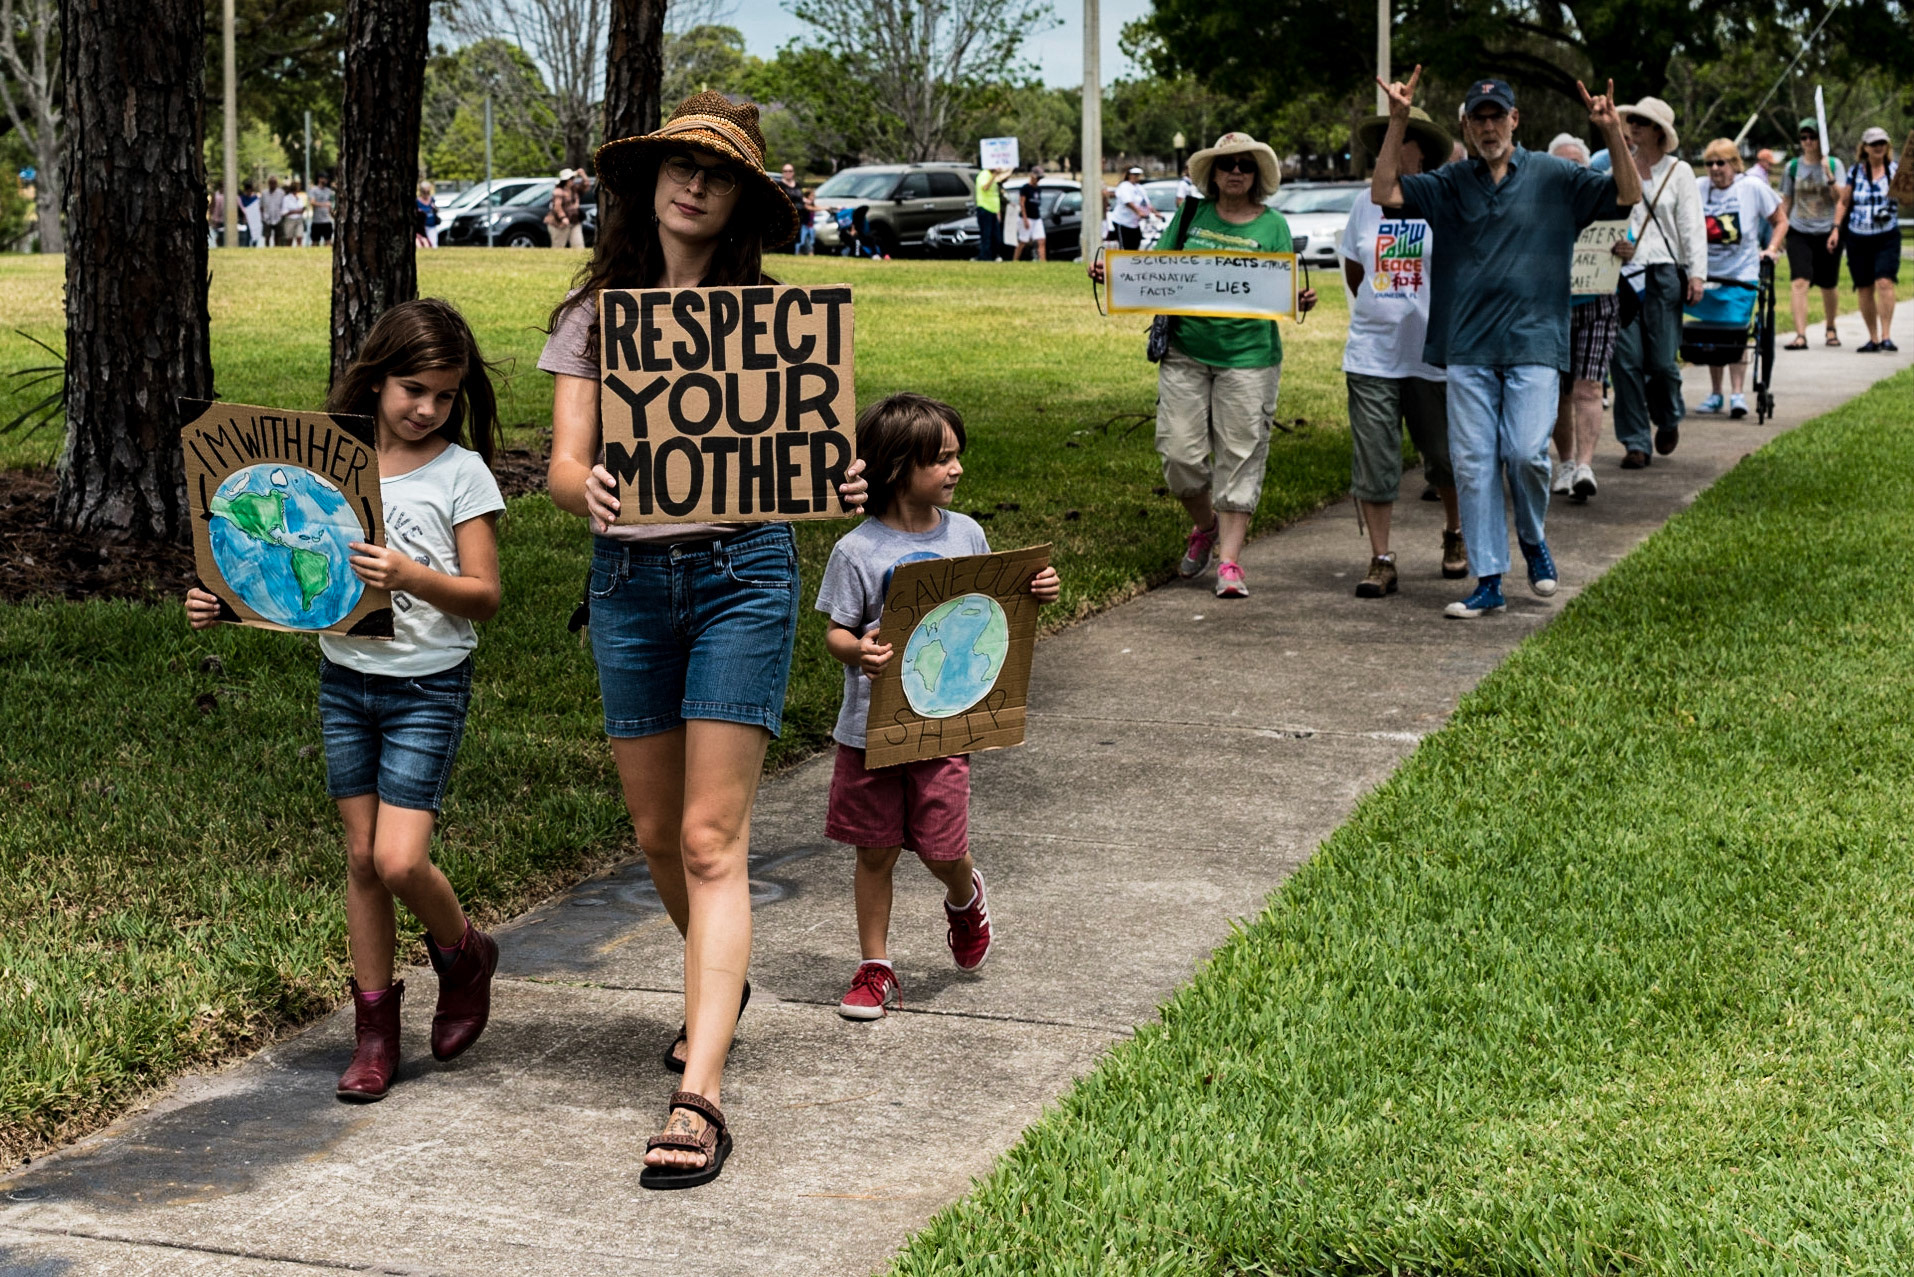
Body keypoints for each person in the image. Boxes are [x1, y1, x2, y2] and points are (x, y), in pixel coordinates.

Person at [540, 91, 868, 1190]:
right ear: (647, 183)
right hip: (629, 580)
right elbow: (561, 464)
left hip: (743, 575)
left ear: (742, 203)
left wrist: (843, 477)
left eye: (717, 174)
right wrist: (586, 488)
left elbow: (811, 461)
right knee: (653, 834)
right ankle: (716, 981)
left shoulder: (775, 325)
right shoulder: (596, 315)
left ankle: (702, 1089)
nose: (694, 184)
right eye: (678, 166)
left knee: (710, 840)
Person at [185, 299, 507, 1103]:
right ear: (376, 378)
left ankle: (463, 951)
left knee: (401, 857)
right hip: (346, 679)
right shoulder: (332, 464)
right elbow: (281, 556)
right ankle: (374, 1031)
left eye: (443, 394)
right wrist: (220, 599)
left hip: (428, 683)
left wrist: (411, 576)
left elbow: (485, 596)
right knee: (363, 860)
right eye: (412, 389)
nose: (427, 408)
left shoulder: (460, 471)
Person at [817, 393, 1061, 1019]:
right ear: (899, 467)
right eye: (943, 460)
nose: (957, 470)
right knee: (874, 850)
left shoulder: (967, 534)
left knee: (940, 847)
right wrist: (858, 650)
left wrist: (1037, 591)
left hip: (946, 725)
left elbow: (993, 612)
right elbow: (836, 632)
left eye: (958, 457)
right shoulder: (857, 551)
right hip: (870, 728)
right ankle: (875, 968)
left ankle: (964, 896)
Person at [1372, 70, 1641, 619]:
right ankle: (1489, 578)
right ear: (1465, 125)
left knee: (1524, 453)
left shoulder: (1554, 176)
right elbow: (1385, 192)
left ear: (1515, 120)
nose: (1489, 127)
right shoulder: (1449, 183)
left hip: (1535, 341)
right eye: (1479, 118)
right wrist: (1398, 120)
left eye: (1498, 116)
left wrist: (1611, 131)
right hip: (1467, 344)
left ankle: (1534, 538)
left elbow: (1627, 194)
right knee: (1472, 464)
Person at [1089, 132, 1318, 598]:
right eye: (1226, 164)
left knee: (1241, 455)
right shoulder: (1190, 214)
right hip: (1186, 352)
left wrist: (1298, 298)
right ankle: (1206, 526)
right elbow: (1154, 270)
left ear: (1257, 175)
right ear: (1212, 173)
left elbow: (1281, 284)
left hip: (1249, 358)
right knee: (1179, 456)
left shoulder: (1272, 225)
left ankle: (1230, 562)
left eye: (1245, 165)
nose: (1236, 172)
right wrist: (1115, 275)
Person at [1340, 106, 1466, 597]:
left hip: (1432, 352)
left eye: (1401, 138)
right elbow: (1355, 271)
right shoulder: (1361, 204)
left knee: (1445, 456)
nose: (1387, 151)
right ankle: (1381, 557)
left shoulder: (1444, 200)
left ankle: (1454, 534)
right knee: (1376, 458)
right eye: (1384, 139)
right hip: (1372, 352)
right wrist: (1381, 309)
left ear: (1421, 151)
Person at [1610, 96, 1706, 467]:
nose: (1632, 126)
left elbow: (1691, 226)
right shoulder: (1616, 168)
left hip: (1665, 272)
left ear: (1657, 131)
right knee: (1626, 360)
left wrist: (1696, 273)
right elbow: (1607, 218)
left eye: (1641, 121)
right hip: (1624, 274)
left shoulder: (1678, 171)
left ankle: (1667, 417)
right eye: (1630, 120)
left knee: (1664, 362)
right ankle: (1635, 441)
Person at [1547, 133, 1626, 503]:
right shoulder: (1541, 207)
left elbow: (1625, 232)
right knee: (1559, 390)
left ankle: (1585, 465)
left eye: (1576, 165)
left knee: (1589, 386)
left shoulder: (1606, 204)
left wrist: (1627, 249)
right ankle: (1564, 463)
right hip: (1552, 307)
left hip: (1598, 304)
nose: (1570, 172)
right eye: (1561, 165)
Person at [1694, 138, 1786, 417]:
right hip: (1706, 274)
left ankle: (1737, 394)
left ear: (1734, 164)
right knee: (1712, 333)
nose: (1714, 168)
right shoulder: (1699, 188)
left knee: (1733, 333)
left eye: (1720, 162)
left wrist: (1771, 249)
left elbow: (1781, 220)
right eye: (1709, 163)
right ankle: (1714, 394)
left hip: (1741, 274)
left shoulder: (1752, 187)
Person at [1833, 127, 1901, 352]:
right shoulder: (1855, 172)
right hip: (1858, 236)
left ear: (1887, 146)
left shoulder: (1896, 171)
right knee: (1863, 287)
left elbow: (1907, 199)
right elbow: (1843, 202)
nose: (1878, 147)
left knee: (1884, 281)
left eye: (1882, 142)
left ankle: (1886, 336)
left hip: (1886, 235)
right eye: (1873, 144)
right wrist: (1835, 229)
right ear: (1865, 148)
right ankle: (1872, 337)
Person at [1780, 119, 1846, 349]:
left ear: (1821, 140)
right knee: (1799, 281)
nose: (1808, 142)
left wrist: (1829, 175)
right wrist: (1778, 233)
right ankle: (1800, 335)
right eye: (1803, 137)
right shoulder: (1792, 167)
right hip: (1799, 230)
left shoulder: (1835, 164)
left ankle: (1830, 328)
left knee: (1828, 284)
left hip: (1828, 230)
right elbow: (1786, 200)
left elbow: (1841, 200)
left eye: (1812, 137)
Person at [1111, 166, 1152, 250]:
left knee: (1136, 243)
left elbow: (1146, 203)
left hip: (1134, 223)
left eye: (1138, 175)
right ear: (1129, 175)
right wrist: (1138, 212)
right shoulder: (1124, 186)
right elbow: (1128, 202)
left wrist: (1155, 212)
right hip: (1123, 222)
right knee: (1125, 246)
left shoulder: (1139, 188)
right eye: (1134, 174)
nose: (1136, 177)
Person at [974, 165, 1010, 261]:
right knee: (986, 235)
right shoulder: (984, 175)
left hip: (993, 210)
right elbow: (985, 187)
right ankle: (985, 257)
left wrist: (1011, 168)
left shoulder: (994, 176)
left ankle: (994, 256)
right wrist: (994, 175)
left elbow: (1003, 179)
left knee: (996, 236)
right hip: (985, 208)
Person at [1013, 167, 1047, 262]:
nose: (1038, 180)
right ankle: (1015, 260)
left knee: (1041, 240)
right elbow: (1022, 203)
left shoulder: (1038, 189)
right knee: (1023, 241)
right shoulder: (1025, 188)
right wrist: (1025, 219)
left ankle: (1043, 262)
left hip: (1036, 217)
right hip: (1027, 217)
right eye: (1037, 178)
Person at [776, 163, 810, 255]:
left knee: (795, 238)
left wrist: (807, 201)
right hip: (785, 217)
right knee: (785, 237)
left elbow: (800, 197)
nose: (788, 173)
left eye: (790, 171)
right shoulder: (779, 185)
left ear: (793, 172)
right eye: (785, 171)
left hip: (798, 216)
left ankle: (792, 253)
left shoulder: (797, 185)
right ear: (782, 172)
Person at [545, 169, 583, 250]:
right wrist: (563, 218)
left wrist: (583, 175)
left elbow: (586, 186)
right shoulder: (558, 191)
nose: (573, 180)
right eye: (571, 178)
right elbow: (557, 207)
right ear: (566, 180)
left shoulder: (574, 190)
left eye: (573, 178)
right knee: (558, 247)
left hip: (574, 221)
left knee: (579, 246)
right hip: (558, 223)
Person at [309, 173, 336, 247]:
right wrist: (324, 204)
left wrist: (332, 214)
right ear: (319, 179)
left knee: (328, 241)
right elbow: (312, 202)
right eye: (324, 178)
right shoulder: (313, 190)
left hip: (327, 220)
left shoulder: (328, 191)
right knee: (315, 242)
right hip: (316, 221)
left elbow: (330, 205)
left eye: (327, 178)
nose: (326, 180)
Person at [259, 176, 286, 247]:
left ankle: (276, 248)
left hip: (278, 217)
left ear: (276, 184)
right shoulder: (264, 193)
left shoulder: (281, 193)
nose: (273, 185)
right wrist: (262, 217)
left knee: (278, 236)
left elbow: (283, 205)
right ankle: (267, 248)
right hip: (267, 217)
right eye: (271, 183)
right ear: (269, 184)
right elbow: (261, 206)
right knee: (267, 236)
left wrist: (282, 215)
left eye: (274, 183)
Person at [280, 179, 307, 247]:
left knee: (299, 237)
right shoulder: (286, 198)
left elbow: (301, 208)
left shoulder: (299, 198)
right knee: (289, 239)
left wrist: (301, 210)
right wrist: (295, 211)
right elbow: (284, 212)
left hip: (299, 220)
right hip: (290, 220)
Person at [239, 179, 263, 248]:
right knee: (247, 237)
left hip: (254, 220)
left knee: (255, 236)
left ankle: (254, 246)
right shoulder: (242, 198)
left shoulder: (255, 198)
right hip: (246, 220)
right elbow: (242, 208)